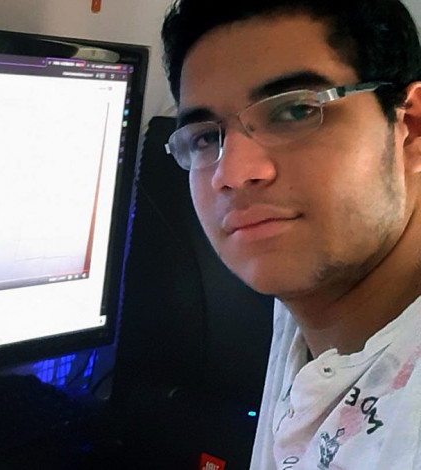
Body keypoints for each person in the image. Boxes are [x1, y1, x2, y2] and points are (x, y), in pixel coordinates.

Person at [161, 0, 421, 468]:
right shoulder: (311, 294)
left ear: (412, 127)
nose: (232, 174)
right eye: (205, 137)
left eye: (296, 111)